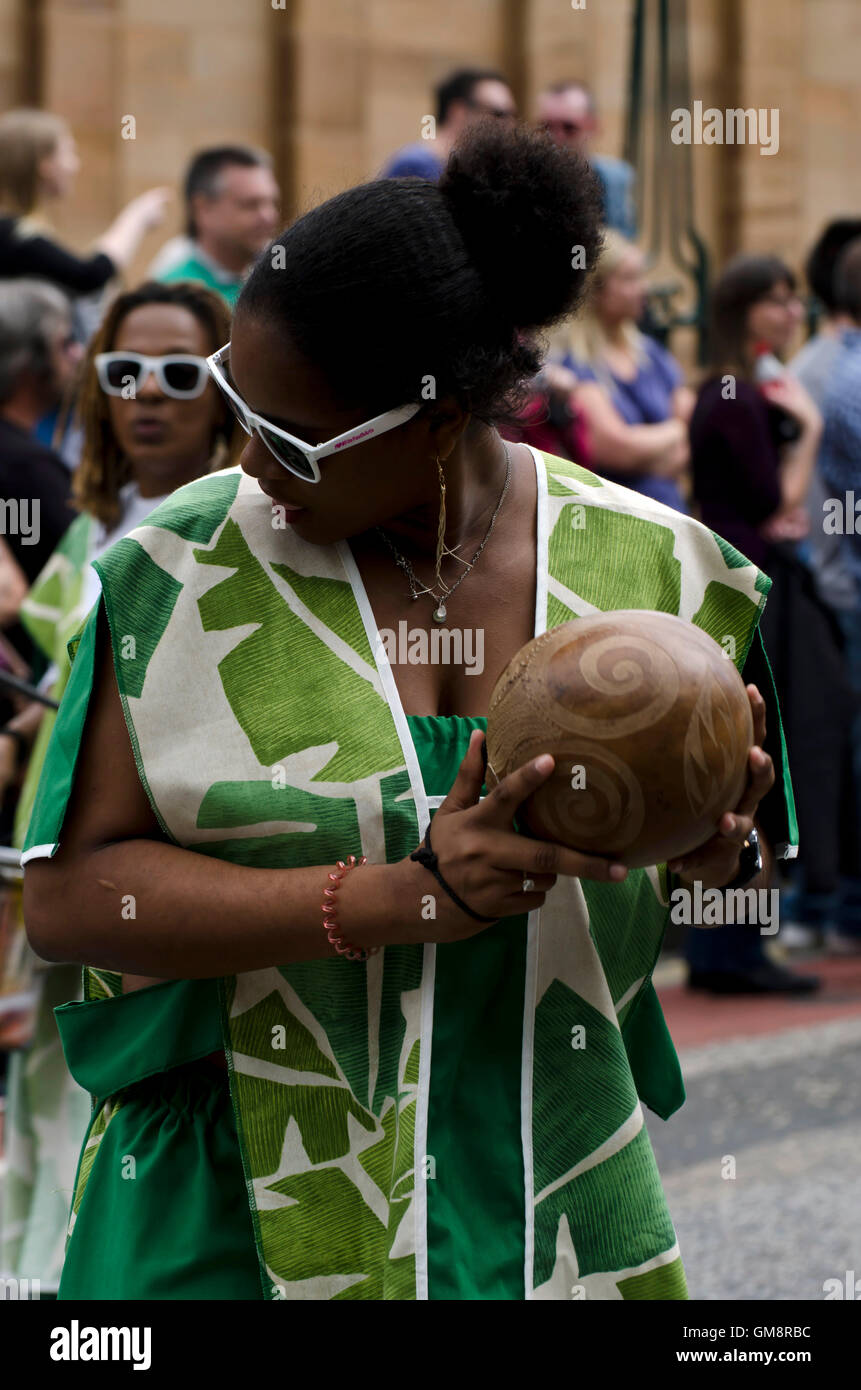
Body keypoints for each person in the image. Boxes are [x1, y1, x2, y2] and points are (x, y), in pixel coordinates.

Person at [23, 125, 789, 1302]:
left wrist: (708, 855)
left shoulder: (660, 580)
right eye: (237, 401)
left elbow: (733, 887)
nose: (248, 459)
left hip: (545, 1196)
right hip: (239, 1209)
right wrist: (401, 898)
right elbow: (73, 903)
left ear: (440, 418)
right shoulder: (178, 571)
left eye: (288, 436)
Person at [0, 279, 239, 1297]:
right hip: (48, 872)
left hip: (166, 879)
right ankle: (55, 1284)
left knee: (152, 1102)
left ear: (228, 389)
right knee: (51, 1089)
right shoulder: (90, 531)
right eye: (123, 371)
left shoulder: (243, 530)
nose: (148, 393)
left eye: (180, 374)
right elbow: (52, 693)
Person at [689, 253, 843, 992]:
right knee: (754, 754)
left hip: (745, 579)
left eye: (793, 302)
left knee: (760, 756)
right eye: (776, 302)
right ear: (743, 309)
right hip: (745, 586)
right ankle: (730, 948)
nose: (790, 314)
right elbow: (769, 503)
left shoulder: (740, 392)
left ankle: (740, 943)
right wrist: (807, 427)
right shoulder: (732, 396)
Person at [551, 231, 693, 512]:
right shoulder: (575, 363)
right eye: (629, 279)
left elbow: (695, 420)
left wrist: (649, 452)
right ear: (595, 289)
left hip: (672, 513)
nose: (643, 288)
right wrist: (678, 430)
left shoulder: (650, 353)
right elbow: (616, 449)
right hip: (617, 521)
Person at [0, 108, 170, 299]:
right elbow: (89, 277)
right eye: (69, 152)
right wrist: (137, 217)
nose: (76, 165)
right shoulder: (14, 234)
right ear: (44, 164)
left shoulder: (17, 231)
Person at [0, 280, 82, 665]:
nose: (77, 354)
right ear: (28, 364)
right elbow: (84, 571)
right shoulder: (25, 468)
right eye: (65, 343)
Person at [153, 147, 280, 308]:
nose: (269, 216)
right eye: (250, 205)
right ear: (203, 209)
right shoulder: (172, 297)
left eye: (272, 203)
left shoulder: (283, 276)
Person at [537, 81, 636, 239]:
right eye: (546, 127)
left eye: (569, 127)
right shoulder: (527, 180)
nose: (555, 137)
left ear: (592, 127)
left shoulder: (617, 178)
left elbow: (630, 240)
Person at [380, 68, 516, 180]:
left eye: (513, 115)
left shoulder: (469, 167)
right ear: (458, 112)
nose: (510, 124)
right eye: (498, 114)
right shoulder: (416, 165)